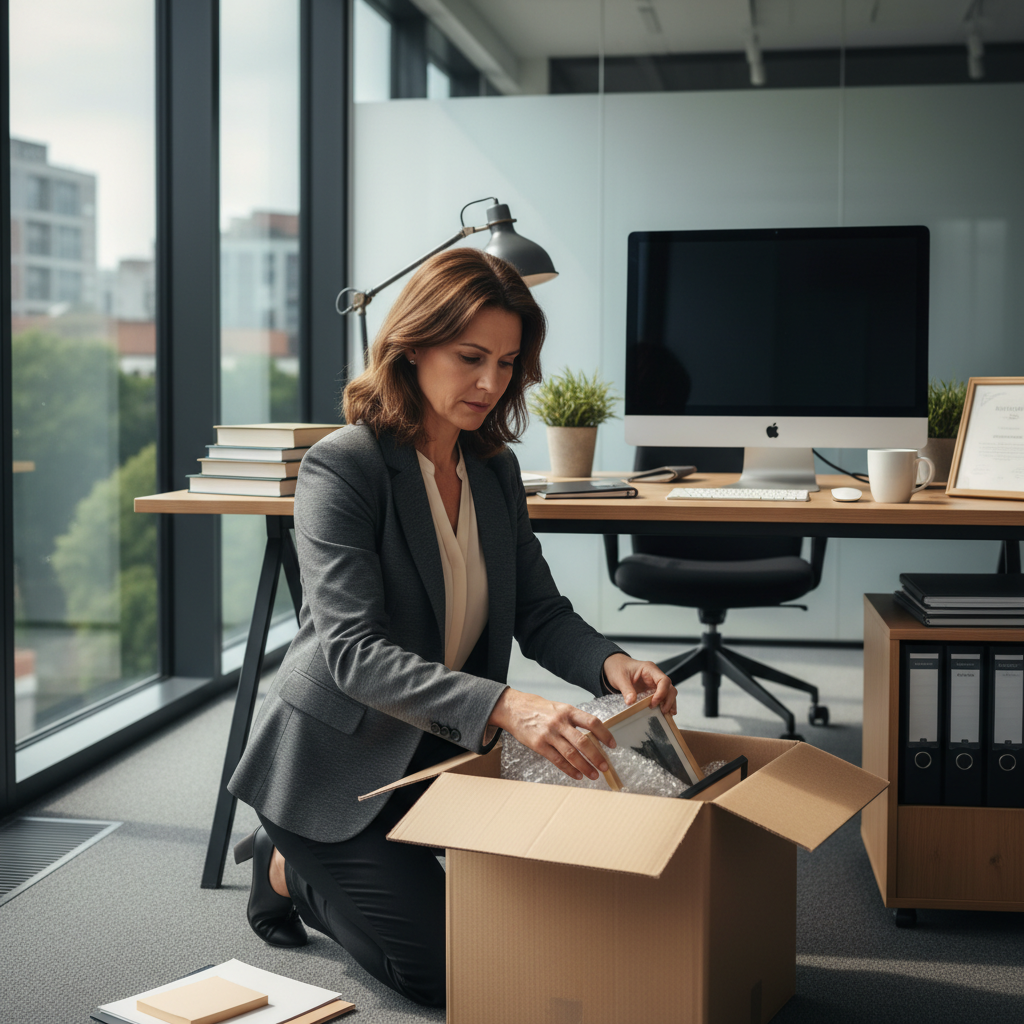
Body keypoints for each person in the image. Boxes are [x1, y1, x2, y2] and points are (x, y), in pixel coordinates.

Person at [228, 247, 677, 1008]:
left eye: (506, 363)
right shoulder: (345, 467)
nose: (491, 383)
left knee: (553, 918)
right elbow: (353, 654)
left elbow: (539, 611)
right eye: (471, 357)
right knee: (450, 973)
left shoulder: (494, 469)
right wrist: (510, 705)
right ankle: (288, 869)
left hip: (436, 743)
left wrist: (612, 664)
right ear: (412, 345)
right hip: (332, 764)